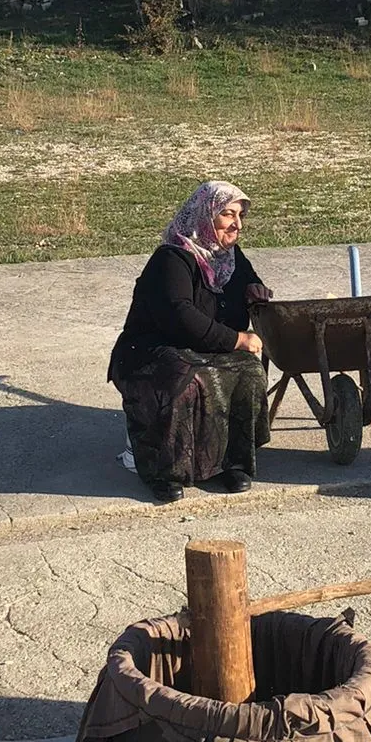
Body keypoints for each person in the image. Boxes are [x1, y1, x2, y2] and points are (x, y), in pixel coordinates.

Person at [109, 181, 272, 502]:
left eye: (240, 215)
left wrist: (255, 288)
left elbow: (248, 280)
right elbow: (179, 315)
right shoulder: (173, 258)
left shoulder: (228, 256)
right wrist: (237, 338)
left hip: (202, 346)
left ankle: (231, 462)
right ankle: (163, 471)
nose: (237, 223)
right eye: (227, 214)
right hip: (151, 348)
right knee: (185, 379)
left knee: (249, 374)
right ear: (204, 216)